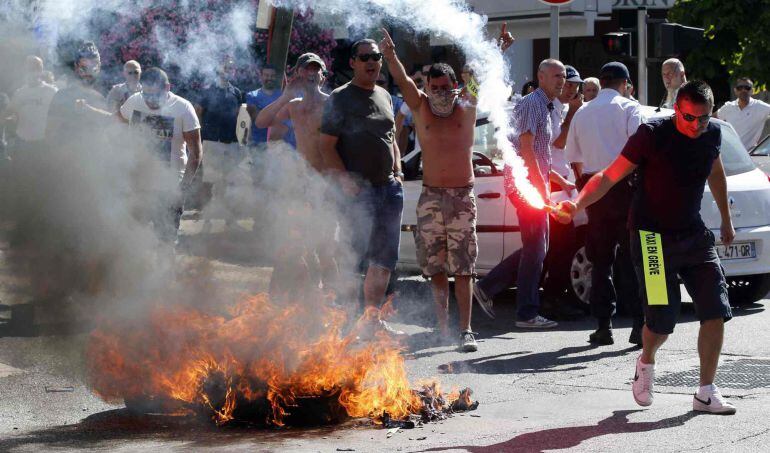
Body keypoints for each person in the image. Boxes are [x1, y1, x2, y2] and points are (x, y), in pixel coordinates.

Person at [556, 80, 737, 415]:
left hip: (693, 233)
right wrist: (577, 205)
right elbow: (608, 177)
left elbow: (716, 172)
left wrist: (726, 218)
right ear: (676, 109)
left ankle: (705, 392)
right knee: (661, 319)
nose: (697, 125)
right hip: (651, 237)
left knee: (715, 309)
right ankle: (646, 362)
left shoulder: (711, 135)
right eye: (689, 118)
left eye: (704, 118)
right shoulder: (651, 135)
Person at [382, 28, 488, 351]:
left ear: (455, 87)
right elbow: (401, 81)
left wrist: (494, 47)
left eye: (447, 87)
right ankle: (443, 329)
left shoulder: (466, 106)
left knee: (464, 267)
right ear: (427, 86)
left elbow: (482, 74)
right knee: (435, 266)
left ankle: (466, 330)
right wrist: (389, 55)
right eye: (436, 87)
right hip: (430, 197)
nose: (442, 92)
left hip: (461, 197)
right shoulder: (421, 106)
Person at [472, 59, 574, 329]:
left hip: (532, 184)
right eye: (556, 75)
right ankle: (526, 313)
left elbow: (540, 154)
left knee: (535, 248)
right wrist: (539, 187)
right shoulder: (532, 103)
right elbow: (526, 149)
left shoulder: (546, 106)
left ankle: (486, 287)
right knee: (536, 250)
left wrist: (559, 179)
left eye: (563, 76)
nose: (561, 80)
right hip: (526, 186)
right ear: (540, 76)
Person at [319, 38, 403, 335]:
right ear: (352, 62)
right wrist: (344, 179)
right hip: (358, 193)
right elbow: (326, 145)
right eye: (365, 56)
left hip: (388, 190)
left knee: (383, 260)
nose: (371, 61)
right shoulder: (339, 98)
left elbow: (390, 136)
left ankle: (373, 321)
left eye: (376, 56)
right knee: (355, 258)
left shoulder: (385, 95)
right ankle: (346, 323)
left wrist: (398, 169)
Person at [565, 61, 644, 346]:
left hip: (595, 187)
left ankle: (603, 326)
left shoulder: (583, 112)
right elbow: (640, 149)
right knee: (635, 259)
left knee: (600, 261)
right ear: (624, 84)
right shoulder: (630, 108)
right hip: (625, 186)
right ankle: (639, 325)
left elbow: (573, 158)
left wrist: (584, 190)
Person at [255, 53, 339, 298]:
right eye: (307, 70)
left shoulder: (333, 103)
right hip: (301, 186)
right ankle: (291, 300)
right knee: (293, 244)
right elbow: (262, 122)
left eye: (317, 70)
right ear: (300, 74)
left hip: (327, 185)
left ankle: (331, 303)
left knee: (325, 247)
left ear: (323, 76)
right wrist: (285, 95)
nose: (312, 75)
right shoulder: (294, 105)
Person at [118, 68, 202, 244]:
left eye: (155, 96)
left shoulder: (183, 108)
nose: (150, 101)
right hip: (137, 183)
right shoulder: (135, 101)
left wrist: (182, 189)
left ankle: (165, 271)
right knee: (131, 239)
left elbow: (195, 153)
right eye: (146, 95)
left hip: (169, 187)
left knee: (165, 242)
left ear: (167, 87)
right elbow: (116, 121)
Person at [542, 64, 584, 319]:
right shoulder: (551, 110)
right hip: (552, 186)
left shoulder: (566, 110)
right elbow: (557, 142)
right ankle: (550, 299)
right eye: (568, 84)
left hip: (566, 186)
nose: (571, 89)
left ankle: (555, 296)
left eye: (575, 85)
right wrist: (573, 115)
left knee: (562, 247)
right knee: (560, 245)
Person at [194, 56, 244, 225]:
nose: (228, 71)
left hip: (231, 143)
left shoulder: (236, 92)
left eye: (231, 68)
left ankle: (226, 217)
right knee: (209, 181)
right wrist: (200, 136)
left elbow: (239, 117)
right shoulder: (208, 90)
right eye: (225, 68)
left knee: (228, 181)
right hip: (211, 141)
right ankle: (205, 218)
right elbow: (198, 111)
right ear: (219, 70)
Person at [46, 41, 107, 144]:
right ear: (76, 67)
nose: (89, 72)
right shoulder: (62, 96)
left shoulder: (99, 98)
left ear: (99, 66)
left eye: (94, 68)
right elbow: (49, 133)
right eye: (84, 68)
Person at [6, 55, 58, 151]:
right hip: (22, 141)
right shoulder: (19, 93)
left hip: (42, 143)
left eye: (36, 68)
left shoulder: (51, 92)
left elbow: (57, 116)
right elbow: (11, 112)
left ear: (41, 70)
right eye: (29, 68)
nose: (32, 71)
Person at [717, 77, 770, 150]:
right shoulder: (728, 107)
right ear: (735, 90)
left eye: (747, 88)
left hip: (748, 155)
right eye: (740, 88)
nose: (743, 90)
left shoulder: (760, 107)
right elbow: (710, 120)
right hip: (728, 153)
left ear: (752, 90)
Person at [246, 65, 282, 147]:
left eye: (272, 76)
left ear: (275, 77)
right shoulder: (252, 96)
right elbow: (248, 122)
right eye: (266, 75)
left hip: (276, 145)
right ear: (261, 76)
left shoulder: (282, 96)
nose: (269, 78)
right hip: (257, 145)